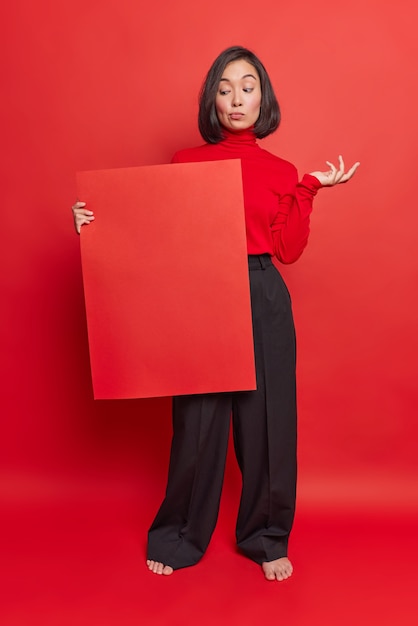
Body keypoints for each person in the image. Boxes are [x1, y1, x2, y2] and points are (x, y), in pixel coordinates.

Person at [72, 46, 359, 582]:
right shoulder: (186, 163)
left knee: (268, 424)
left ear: (263, 98)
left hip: (262, 292)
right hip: (201, 292)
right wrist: (95, 224)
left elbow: (288, 250)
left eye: (247, 86)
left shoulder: (282, 170)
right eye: (224, 88)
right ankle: (179, 536)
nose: (236, 98)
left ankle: (266, 539)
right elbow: (153, 237)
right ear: (212, 99)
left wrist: (309, 188)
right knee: (197, 424)